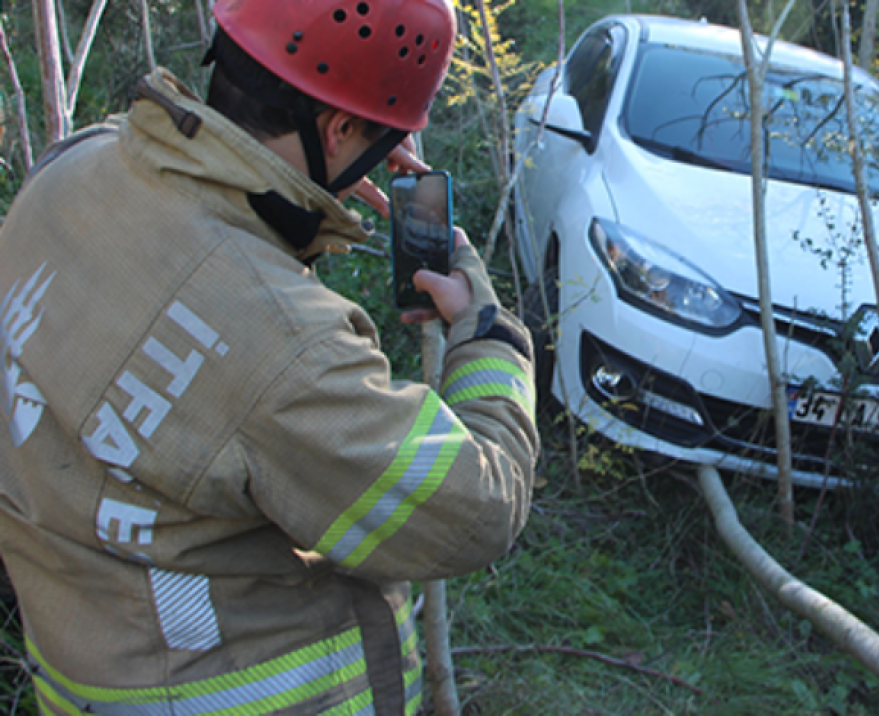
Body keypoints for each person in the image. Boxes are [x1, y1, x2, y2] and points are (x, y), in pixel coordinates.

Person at [0, 0, 537, 712]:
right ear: (339, 129)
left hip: (77, 678)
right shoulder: (284, 345)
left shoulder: (76, 167)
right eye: (377, 137)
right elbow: (480, 508)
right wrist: (487, 331)